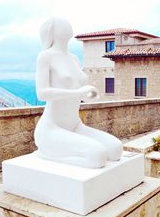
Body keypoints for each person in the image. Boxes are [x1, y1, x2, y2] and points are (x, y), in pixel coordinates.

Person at [34, 17, 122, 168]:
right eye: (60, 24)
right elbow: (42, 94)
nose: (66, 24)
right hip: (52, 128)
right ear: (52, 31)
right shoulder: (46, 57)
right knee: (98, 156)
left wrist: (87, 96)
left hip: (75, 126)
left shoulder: (73, 58)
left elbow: (79, 90)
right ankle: (45, 153)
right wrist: (77, 93)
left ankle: (58, 153)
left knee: (115, 149)